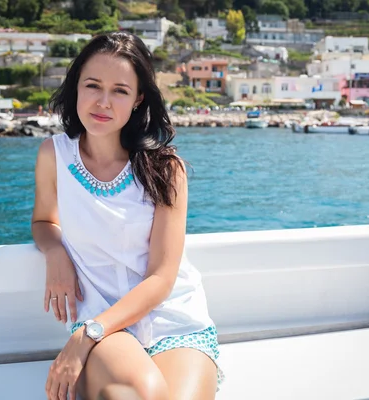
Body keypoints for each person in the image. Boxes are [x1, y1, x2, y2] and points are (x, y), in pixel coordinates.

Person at [31, 32, 223, 400]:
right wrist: (55, 252)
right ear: (76, 88)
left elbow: (162, 278)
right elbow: (43, 221)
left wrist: (86, 335)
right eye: (92, 86)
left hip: (172, 320)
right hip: (103, 316)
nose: (103, 102)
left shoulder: (166, 168)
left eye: (119, 90)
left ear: (138, 99)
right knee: (142, 393)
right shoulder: (53, 155)